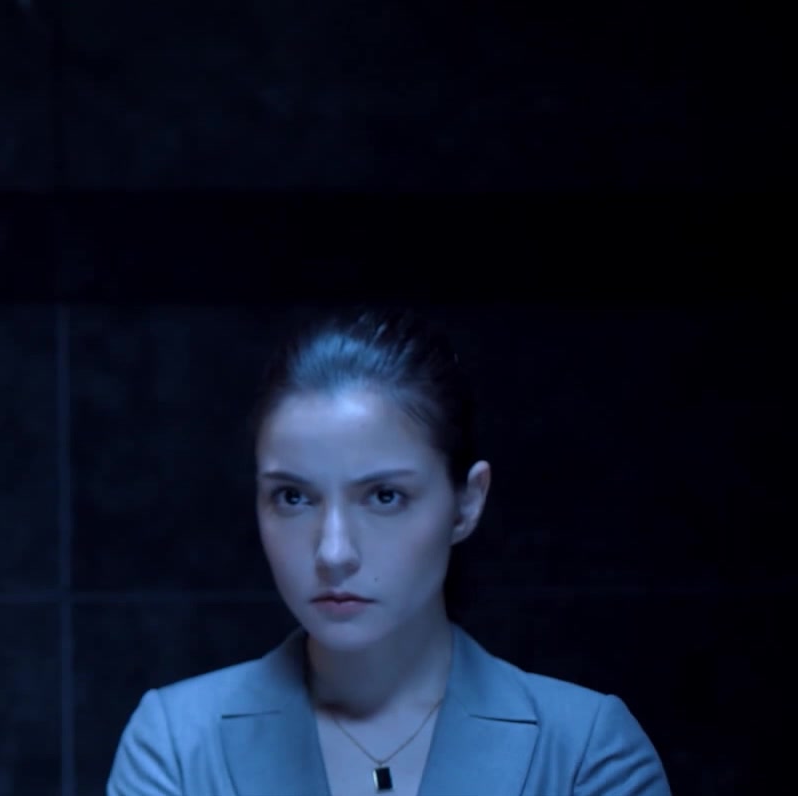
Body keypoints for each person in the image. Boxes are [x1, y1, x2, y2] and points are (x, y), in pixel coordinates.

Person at [105, 310, 669, 796]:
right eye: (293, 497)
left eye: (384, 496)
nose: (334, 552)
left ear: (467, 503)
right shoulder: (179, 744)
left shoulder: (584, 750)